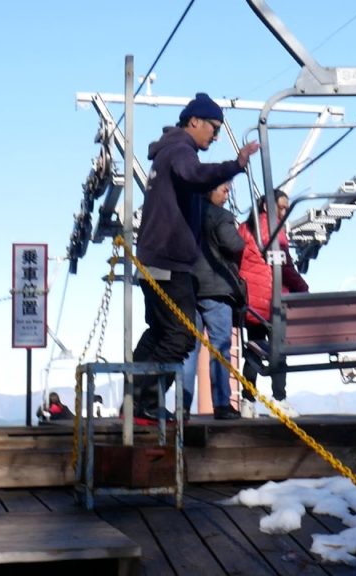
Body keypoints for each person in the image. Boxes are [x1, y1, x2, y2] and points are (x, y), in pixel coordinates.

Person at [131, 93, 259, 421]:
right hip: (168, 260)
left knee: (160, 331)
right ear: (194, 122)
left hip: (156, 258)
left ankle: (136, 400)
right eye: (214, 128)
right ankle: (144, 401)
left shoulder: (167, 152)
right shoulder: (180, 151)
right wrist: (235, 165)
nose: (215, 136)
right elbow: (194, 175)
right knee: (182, 333)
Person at [237, 190, 309, 418]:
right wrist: (303, 289)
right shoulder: (275, 229)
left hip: (251, 301)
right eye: (282, 207)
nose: (285, 211)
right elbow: (284, 267)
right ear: (268, 207)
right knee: (279, 350)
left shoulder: (245, 228)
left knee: (253, 350)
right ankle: (279, 398)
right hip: (272, 300)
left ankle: (247, 401)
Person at [181, 181, 246, 420]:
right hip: (216, 289)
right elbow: (235, 244)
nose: (227, 195)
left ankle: (182, 405)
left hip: (189, 287)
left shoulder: (185, 213)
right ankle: (221, 403)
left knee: (189, 349)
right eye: (225, 190)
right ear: (211, 190)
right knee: (220, 346)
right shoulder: (220, 216)